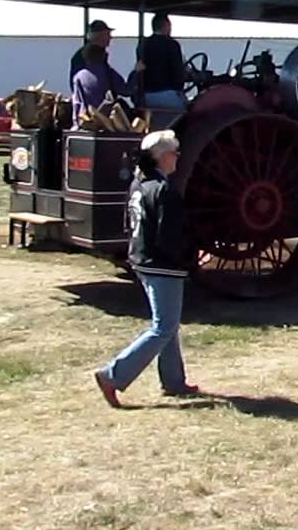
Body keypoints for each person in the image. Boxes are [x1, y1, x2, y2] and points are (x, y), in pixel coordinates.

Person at [93, 130, 199, 407]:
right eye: (174, 152)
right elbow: (170, 235)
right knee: (163, 327)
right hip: (162, 264)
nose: (177, 157)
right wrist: (188, 258)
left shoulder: (140, 185)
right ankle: (112, 375)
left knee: (168, 324)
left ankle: (173, 381)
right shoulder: (164, 190)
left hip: (142, 259)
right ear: (163, 156)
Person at [71, 43, 133, 128]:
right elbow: (126, 91)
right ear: (104, 57)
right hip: (109, 123)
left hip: (87, 122)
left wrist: (76, 125)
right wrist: (136, 73)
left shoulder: (79, 76)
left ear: (85, 58)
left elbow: (77, 103)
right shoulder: (109, 73)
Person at [137, 12, 187, 111]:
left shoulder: (142, 44)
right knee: (191, 112)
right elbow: (177, 72)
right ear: (166, 26)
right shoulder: (172, 45)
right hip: (167, 95)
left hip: (146, 96)